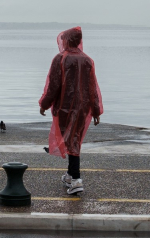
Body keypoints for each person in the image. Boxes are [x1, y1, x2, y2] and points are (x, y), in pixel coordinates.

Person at [39, 26, 103, 195]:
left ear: (67, 40)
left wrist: (44, 104)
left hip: (64, 108)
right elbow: (92, 89)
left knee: (71, 142)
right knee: (74, 140)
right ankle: (70, 175)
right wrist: (95, 110)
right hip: (82, 108)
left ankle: (76, 179)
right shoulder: (87, 60)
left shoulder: (60, 59)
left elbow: (53, 85)